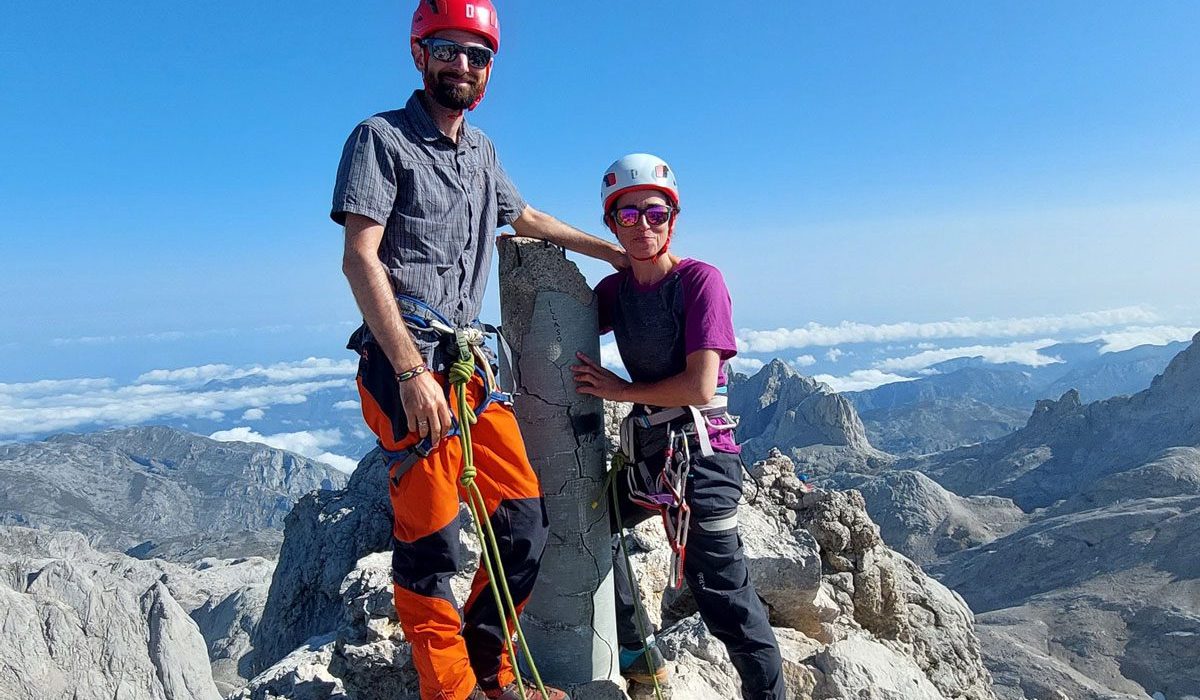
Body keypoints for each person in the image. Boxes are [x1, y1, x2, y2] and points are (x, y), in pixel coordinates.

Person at [332, 3, 624, 699]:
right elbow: (360, 259)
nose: (462, 64)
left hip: (468, 369)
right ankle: (452, 691)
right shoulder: (380, 139)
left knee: (524, 520)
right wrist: (408, 371)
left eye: (477, 54)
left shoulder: (481, 152)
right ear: (419, 54)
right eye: (448, 50)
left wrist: (609, 252)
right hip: (409, 366)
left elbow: (523, 217)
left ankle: (489, 671)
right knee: (432, 550)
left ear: (489, 68)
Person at [571, 154, 788, 699]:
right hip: (651, 458)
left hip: (702, 458)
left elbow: (700, 387)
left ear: (674, 217)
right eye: (627, 215)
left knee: (725, 602)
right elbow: (561, 318)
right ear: (611, 223)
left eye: (656, 212)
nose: (643, 224)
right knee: (591, 527)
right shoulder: (615, 294)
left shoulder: (700, 281)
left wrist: (620, 391)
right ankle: (640, 653)